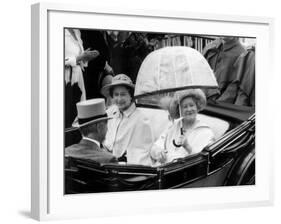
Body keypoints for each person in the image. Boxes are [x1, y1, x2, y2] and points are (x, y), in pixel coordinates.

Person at [150, 89, 215, 164]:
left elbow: (203, 161)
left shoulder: (205, 132)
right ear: (179, 110)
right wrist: (158, 153)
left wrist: (187, 147)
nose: (189, 109)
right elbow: (154, 148)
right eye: (185, 107)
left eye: (191, 105)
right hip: (163, 170)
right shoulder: (173, 126)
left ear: (197, 107)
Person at [101, 74, 154, 166]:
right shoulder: (110, 113)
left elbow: (141, 155)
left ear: (131, 96)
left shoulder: (141, 120)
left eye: (123, 94)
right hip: (106, 162)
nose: (119, 99)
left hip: (126, 168)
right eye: (116, 95)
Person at [64, 28, 100, 146]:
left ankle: (73, 145)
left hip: (78, 76)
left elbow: (78, 58)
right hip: (65, 78)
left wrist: (86, 58)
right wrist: (79, 58)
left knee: (77, 113)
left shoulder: (77, 31)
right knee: (67, 113)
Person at [65, 98, 118, 163]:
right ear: (99, 127)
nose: (107, 129)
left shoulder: (65, 152)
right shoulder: (109, 159)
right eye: (106, 124)